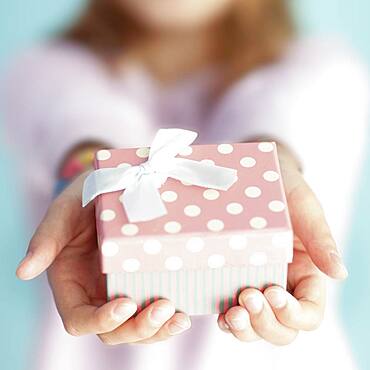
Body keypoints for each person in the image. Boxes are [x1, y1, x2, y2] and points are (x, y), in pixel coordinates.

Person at [2, 0, 369, 369]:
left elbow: (286, 108)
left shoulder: (323, 72)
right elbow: (74, 111)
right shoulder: (43, 71)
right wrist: (93, 166)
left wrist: (273, 163)